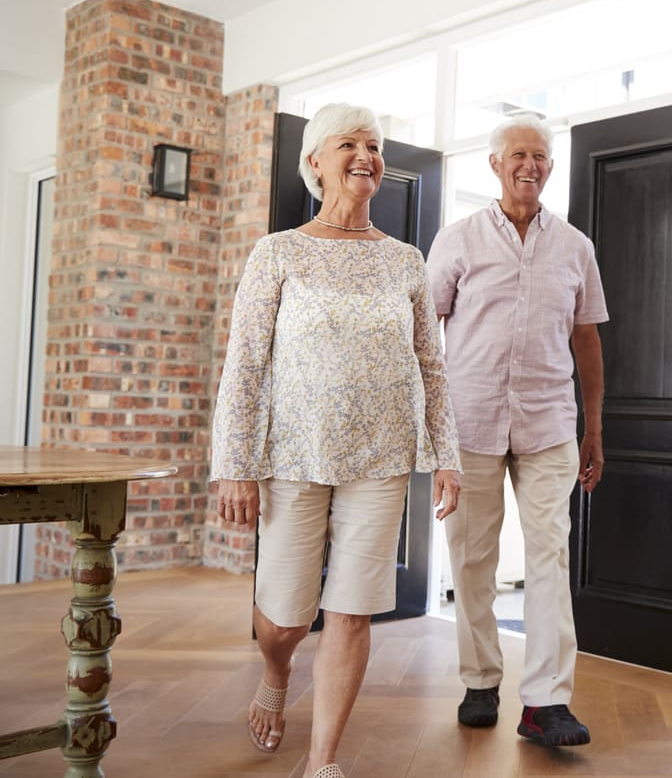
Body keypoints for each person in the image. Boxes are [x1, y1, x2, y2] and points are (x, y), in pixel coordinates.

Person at [211, 103, 461, 778]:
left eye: (373, 145)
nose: (365, 156)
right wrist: (234, 464)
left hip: (381, 458)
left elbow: (430, 365)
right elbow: (245, 365)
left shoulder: (406, 261)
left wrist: (446, 456)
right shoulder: (279, 252)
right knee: (285, 618)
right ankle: (277, 670)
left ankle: (322, 760)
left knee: (351, 611)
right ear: (315, 161)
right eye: (347, 143)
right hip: (293, 455)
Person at [425, 114, 608, 747]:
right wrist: (432, 431)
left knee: (550, 555)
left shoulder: (576, 247)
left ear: (551, 167)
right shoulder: (458, 240)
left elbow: (587, 340)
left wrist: (593, 428)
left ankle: (546, 703)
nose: (530, 165)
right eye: (518, 155)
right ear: (496, 165)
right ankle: (480, 680)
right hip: (469, 422)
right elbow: (423, 334)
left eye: (541, 156)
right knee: (472, 556)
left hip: (550, 423)